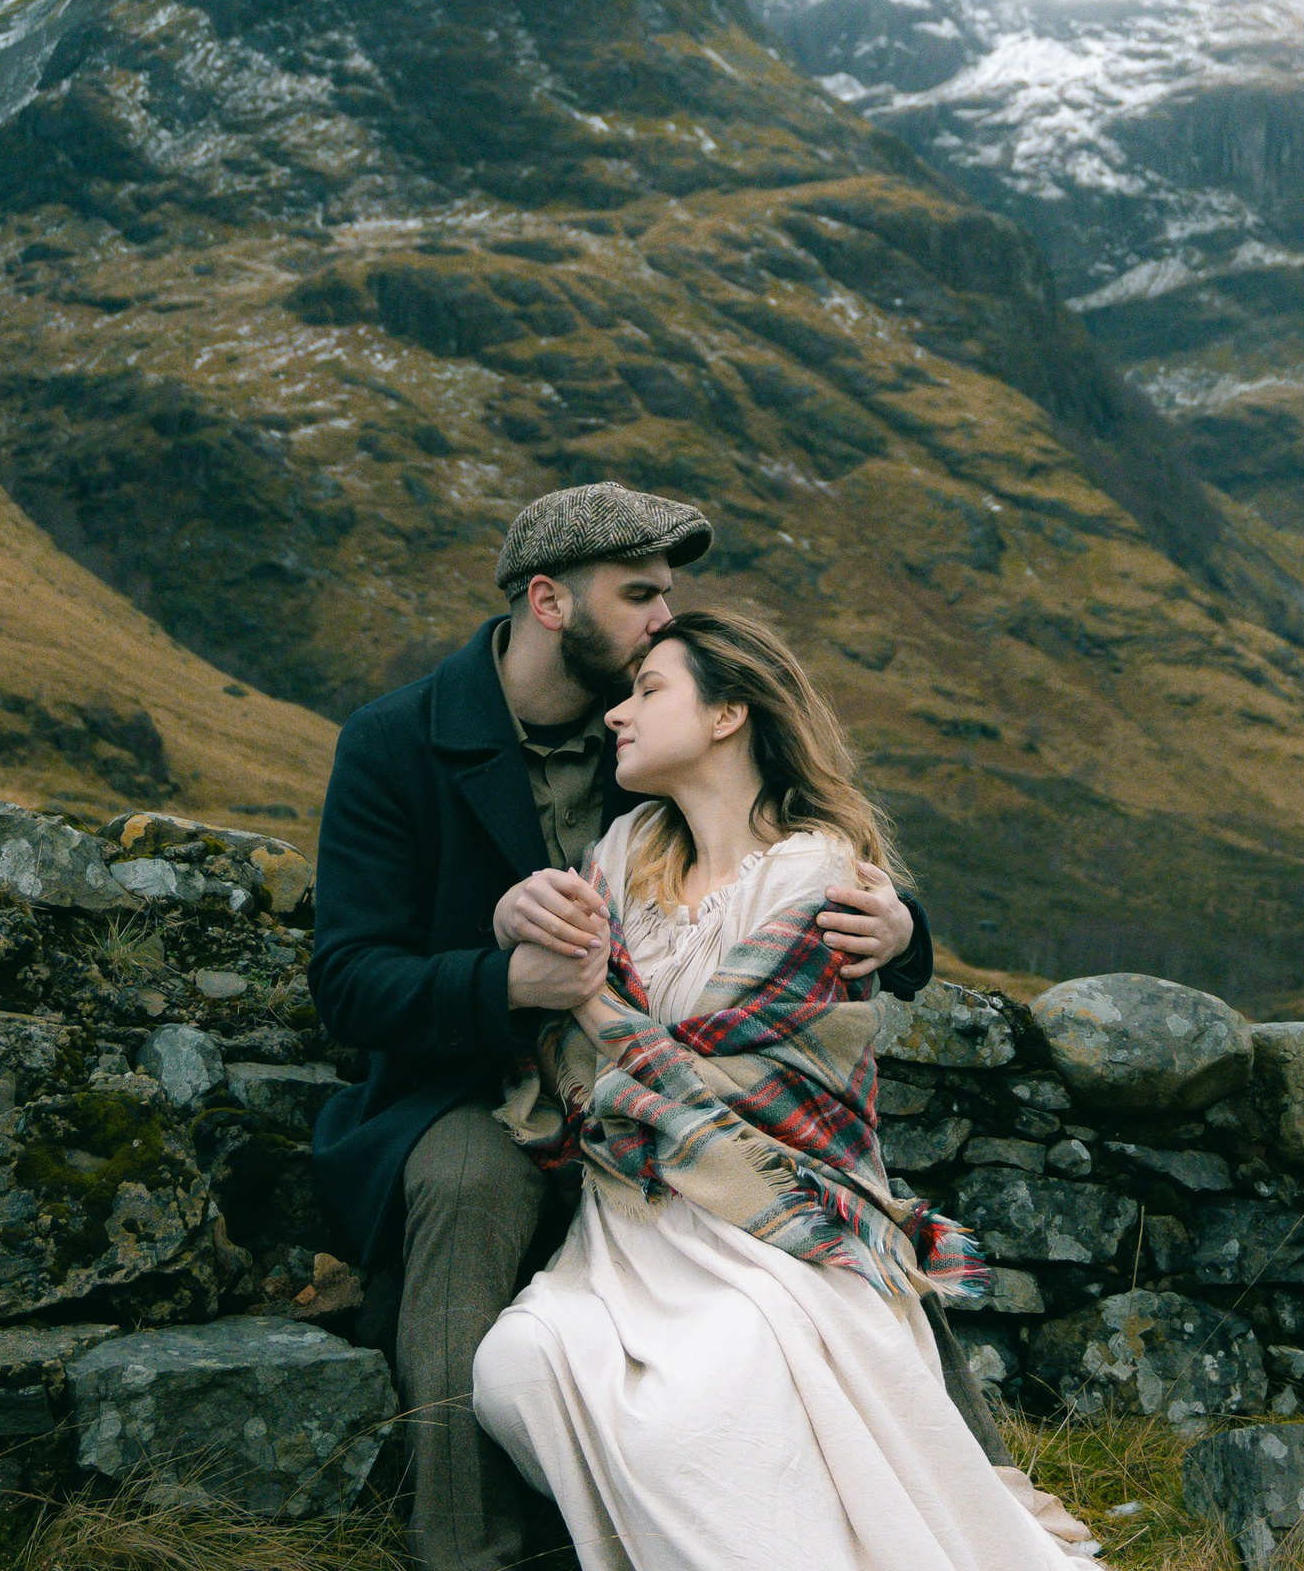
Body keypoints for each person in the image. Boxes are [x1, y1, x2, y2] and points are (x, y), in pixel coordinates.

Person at [310, 483, 949, 1571]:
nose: (666, 617)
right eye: (641, 594)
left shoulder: (654, 730)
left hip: (646, 1089)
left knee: (824, 1222)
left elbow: (781, 829)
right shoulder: (393, 742)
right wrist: (507, 982)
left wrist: (905, 929)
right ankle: (465, 1548)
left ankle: (921, 1489)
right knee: (469, 1186)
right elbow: (349, 982)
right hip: (466, 1084)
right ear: (549, 601)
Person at [471, 608, 1094, 1569]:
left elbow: (725, 1069)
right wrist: (517, 926)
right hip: (630, 1224)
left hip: (773, 1221)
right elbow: (582, 1034)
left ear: (728, 716)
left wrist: (597, 1013)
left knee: (704, 1404)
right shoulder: (621, 852)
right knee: (516, 1370)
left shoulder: (819, 873)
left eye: (648, 692)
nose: (616, 716)